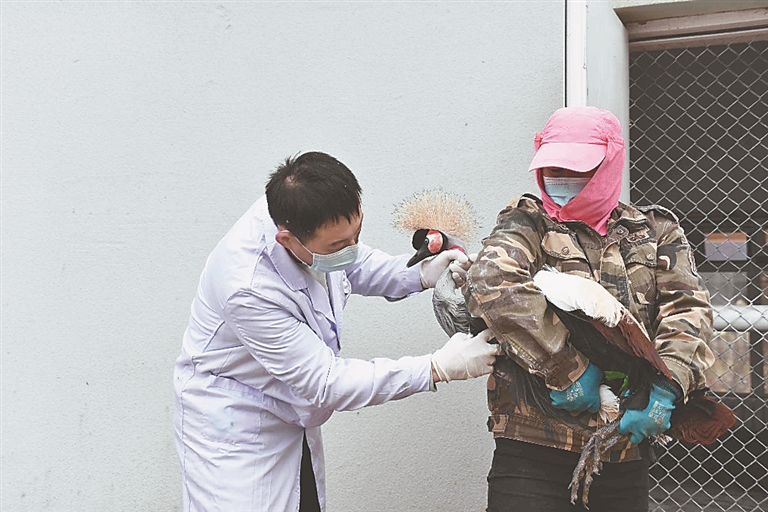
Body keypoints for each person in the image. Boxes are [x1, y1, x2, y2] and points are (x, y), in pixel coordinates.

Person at [173, 151, 500, 512]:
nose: (351, 249)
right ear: (287, 240)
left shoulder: (305, 217)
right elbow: (326, 383)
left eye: (356, 233)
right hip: (236, 428)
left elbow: (350, 260)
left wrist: (418, 274)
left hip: (288, 412)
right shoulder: (247, 287)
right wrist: (436, 367)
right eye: (337, 246)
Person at [464, 106, 716, 511]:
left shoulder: (655, 232)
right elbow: (492, 280)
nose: (563, 180)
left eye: (579, 169)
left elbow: (687, 309)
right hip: (532, 445)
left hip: (624, 451)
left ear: (611, 162)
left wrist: (668, 389)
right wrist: (567, 370)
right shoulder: (527, 223)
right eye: (554, 168)